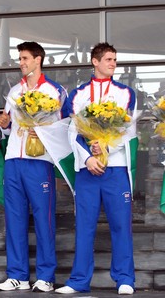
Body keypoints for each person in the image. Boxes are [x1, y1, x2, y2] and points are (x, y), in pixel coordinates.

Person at [55, 42, 137, 295]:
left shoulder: (126, 93)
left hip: (116, 169)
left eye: (114, 59)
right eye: (109, 59)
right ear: (95, 61)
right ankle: (79, 280)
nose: (113, 63)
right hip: (87, 171)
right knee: (85, 226)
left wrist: (106, 148)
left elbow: (128, 129)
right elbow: (73, 131)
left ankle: (125, 279)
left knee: (121, 224)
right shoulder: (79, 94)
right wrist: (88, 158)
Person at [0, 41, 68, 292]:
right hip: (13, 160)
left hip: (39, 163)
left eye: (25, 58)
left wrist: (41, 130)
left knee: (43, 219)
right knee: (14, 219)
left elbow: (66, 127)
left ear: (38, 59)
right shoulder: (14, 90)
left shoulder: (55, 91)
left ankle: (46, 277)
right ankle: (18, 276)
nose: (21, 62)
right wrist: (4, 123)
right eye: (20, 58)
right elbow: (7, 127)